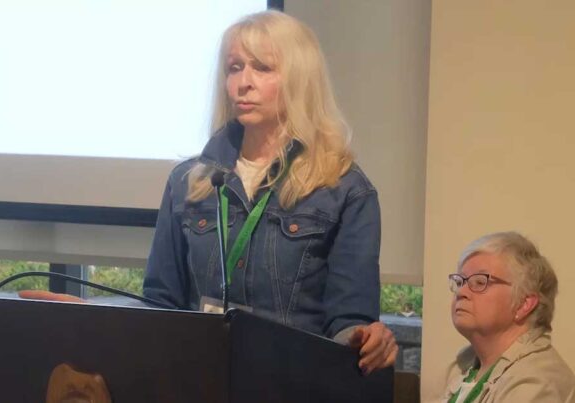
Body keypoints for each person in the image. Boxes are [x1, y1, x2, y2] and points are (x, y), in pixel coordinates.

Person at [141, 10, 396, 374]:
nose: (243, 83)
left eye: (262, 68)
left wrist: (367, 339)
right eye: (234, 68)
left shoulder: (344, 190)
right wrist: (91, 318)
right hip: (196, 381)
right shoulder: (188, 182)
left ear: (299, 79)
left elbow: (349, 320)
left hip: (292, 385)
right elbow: (160, 304)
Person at [440, 232, 575, 403]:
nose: (461, 292)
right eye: (460, 282)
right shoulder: (463, 366)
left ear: (524, 303)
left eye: (480, 282)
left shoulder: (536, 383)